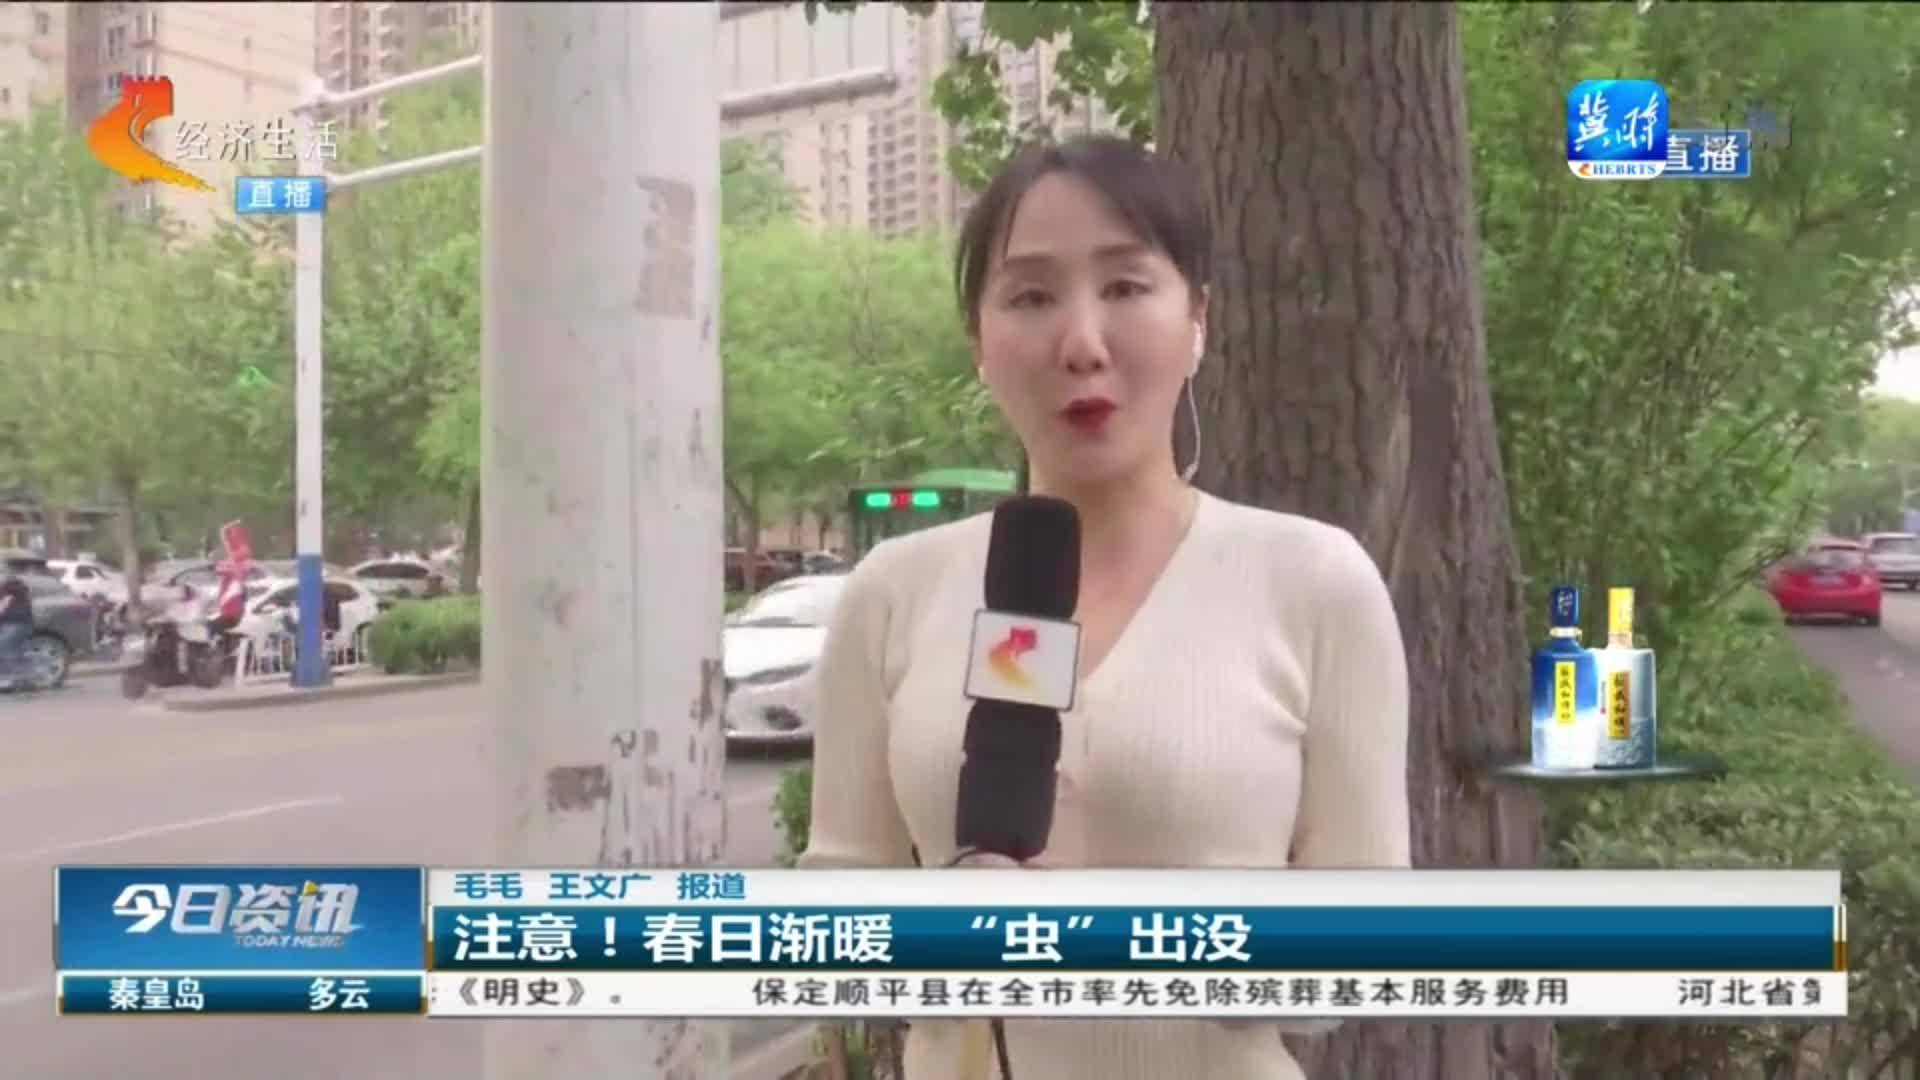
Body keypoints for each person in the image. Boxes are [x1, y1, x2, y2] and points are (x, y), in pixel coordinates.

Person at [799, 136, 1411, 1080]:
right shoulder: (893, 591)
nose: (1081, 343)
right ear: (980, 342)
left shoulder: (1315, 582)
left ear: (1198, 319)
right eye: (1030, 297)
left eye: (1126, 287)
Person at [0, 568, 32, 689]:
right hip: (23, 623)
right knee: (18, 653)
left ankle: (9, 680)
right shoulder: (20, 589)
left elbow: (2, 608)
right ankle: (24, 680)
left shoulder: (9, 591)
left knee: (5, 649)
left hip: (14, 624)